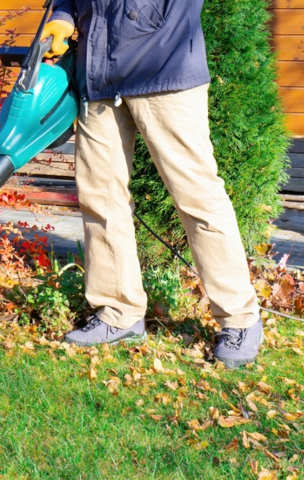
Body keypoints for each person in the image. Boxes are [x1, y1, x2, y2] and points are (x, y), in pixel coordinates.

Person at [40, 0, 263, 368]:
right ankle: (118, 311)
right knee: (101, 195)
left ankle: (240, 319)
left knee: (197, 195)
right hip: (98, 69)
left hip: (163, 60)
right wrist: (63, 16)